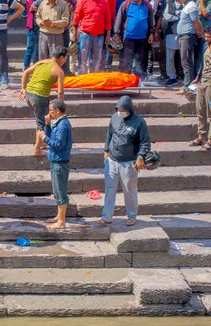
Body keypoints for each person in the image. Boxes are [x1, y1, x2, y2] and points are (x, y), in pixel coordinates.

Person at [100, 95, 150, 226]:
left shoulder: (139, 122)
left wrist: (140, 157)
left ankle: (132, 216)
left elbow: (145, 143)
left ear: (129, 109)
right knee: (110, 188)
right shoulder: (114, 118)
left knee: (129, 190)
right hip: (112, 159)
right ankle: (107, 217)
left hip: (128, 162)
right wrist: (106, 150)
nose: (120, 112)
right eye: (118, 109)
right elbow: (109, 134)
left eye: (122, 110)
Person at [19, 46, 67, 156]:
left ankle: (42, 142)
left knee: (41, 118)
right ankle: (37, 150)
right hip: (39, 97)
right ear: (61, 57)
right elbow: (60, 92)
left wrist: (23, 88)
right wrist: (60, 107)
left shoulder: (42, 62)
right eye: (65, 58)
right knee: (43, 122)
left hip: (29, 95)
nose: (65, 61)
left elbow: (26, 72)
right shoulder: (58, 70)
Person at [36, 99, 72, 229]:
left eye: (51, 110)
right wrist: (47, 125)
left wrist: (44, 138)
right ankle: (59, 216)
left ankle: (61, 222)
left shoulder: (63, 125)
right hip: (55, 161)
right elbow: (52, 136)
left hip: (60, 162)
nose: (49, 112)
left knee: (61, 192)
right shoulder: (57, 123)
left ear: (57, 111)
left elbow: (58, 144)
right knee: (57, 191)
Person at [113, 0, 154, 77]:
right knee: (126, 62)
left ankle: (138, 82)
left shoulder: (147, 5)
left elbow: (150, 20)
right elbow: (119, 19)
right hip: (128, 39)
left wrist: (151, 33)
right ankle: (125, 81)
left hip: (142, 39)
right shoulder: (125, 4)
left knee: (140, 63)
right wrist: (117, 34)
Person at [72, 0, 112, 74]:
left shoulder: (105, 2)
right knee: (82, 60)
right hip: (85, 35)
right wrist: (74, 35)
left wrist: (108, 35)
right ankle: (82, 80)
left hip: (99, 36)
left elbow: (108, 20)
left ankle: (93, 81)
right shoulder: (82, 1)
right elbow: (76, 18)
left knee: (96, 61)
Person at [177, 0, 202, 88]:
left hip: (187, 36)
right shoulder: (187, 6)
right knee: (185, 61)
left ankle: (188, 85)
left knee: (186, 61)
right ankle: (188, 84)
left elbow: (197, 22)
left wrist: (199, 32)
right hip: (184, 36)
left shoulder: (191, 6)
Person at [163, 0, 183, 86]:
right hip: (172, 33)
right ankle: (172, 77)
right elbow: (167, 16)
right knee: (170, 57)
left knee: (185, 57)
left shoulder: (188, 4)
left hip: (184, 34)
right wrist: (178, 16)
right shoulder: (170, 4)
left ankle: (184, 76)